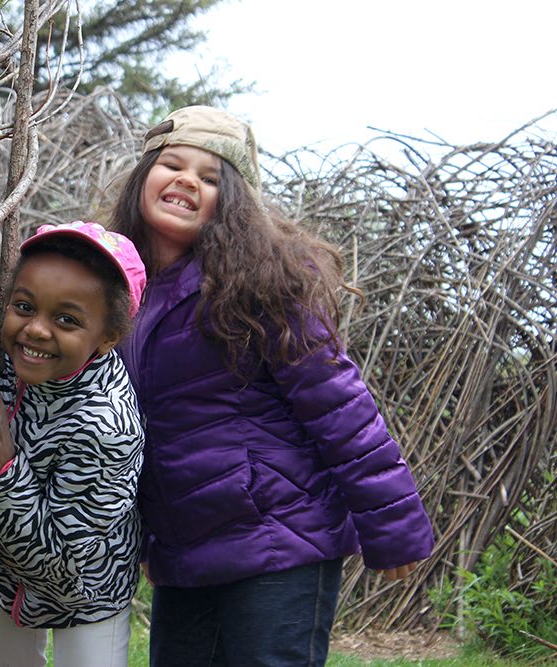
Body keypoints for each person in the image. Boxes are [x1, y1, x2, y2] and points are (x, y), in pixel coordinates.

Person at [109, 106, 436, 666]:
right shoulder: (117, 290)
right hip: (186, 553)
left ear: (231, 203)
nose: (188, 180)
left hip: (279, 537)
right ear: (145, 177)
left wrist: (392, 525)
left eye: (211, 178)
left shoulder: (261, 286)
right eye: (173, 164)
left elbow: (341, 409)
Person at [0, 221, 148, 667]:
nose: (37, 330)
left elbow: (61, 563)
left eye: (67, 319)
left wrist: (3, 467)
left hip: (87, 591)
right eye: (24, 306)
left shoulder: (107, 424)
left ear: (107, 338)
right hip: (1, 575)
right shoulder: (2, 358)